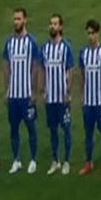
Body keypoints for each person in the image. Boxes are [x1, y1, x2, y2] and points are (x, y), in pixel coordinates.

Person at [3, 8, 40, 174]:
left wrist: (34, 90)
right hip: (13, 95)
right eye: (14, 19)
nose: (16, 22)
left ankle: (33, 160)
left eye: (19, 19)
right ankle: (16, 160)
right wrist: (6, 90)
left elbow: (36, 67)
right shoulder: (9, 43)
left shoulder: (31, 42)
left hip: (26, 95)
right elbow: (6, 67)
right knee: (13, 128)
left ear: (25, 20)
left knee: (31, 127)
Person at [78, 19, 101, 176]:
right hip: (88, 101)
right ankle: (88, 162)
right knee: (88, 133)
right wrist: (81, 97)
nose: (90, 36)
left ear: (98, 34)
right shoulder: (83, 53)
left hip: (100, 101)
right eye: (88, 33)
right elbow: (82, 76)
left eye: (93, 33)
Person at [41, 13, 73, 176]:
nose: (52, 26)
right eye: (50, 23)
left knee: (66, 129)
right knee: (52, 129)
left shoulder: (66, 47)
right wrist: (41, 90)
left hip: (62, 97)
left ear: (60, 27)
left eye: (55, 24)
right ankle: (55, 161)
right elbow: (42, 70)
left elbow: (70, 70)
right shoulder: (45, 48)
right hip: (50, 97)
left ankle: (66, 161)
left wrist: (68, 92)